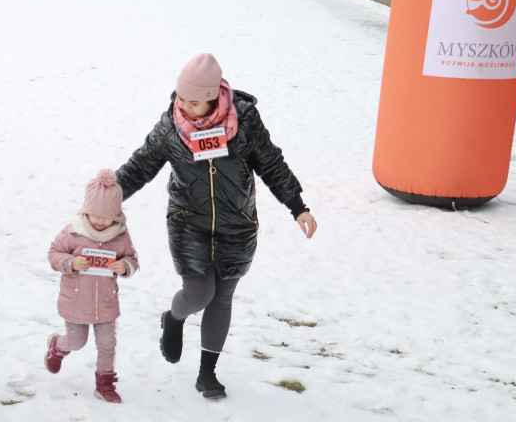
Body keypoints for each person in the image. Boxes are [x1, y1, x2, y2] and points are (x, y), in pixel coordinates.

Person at [115, 53, 317, 400]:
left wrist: (297, 206)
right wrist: (104, 198)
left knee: (222, 298)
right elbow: (139, 166)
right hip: (188, 222)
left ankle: (207, 373)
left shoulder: (245, 121)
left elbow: (270, 162)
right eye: (181, 98)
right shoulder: (172, 127)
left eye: (193, 101)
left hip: (236, 223)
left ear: (212, 97)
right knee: (199, 294)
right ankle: (174, 318)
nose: (185, 106)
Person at [45, 169, 140, 403]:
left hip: (106, 302)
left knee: (108, 345)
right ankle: (58, 345)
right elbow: (54, 253)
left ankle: (104, 384)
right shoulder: (73, 232)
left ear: (116, 215)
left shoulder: (120, 236)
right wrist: (70, 263)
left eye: (105, 216)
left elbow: (132, 258)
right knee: (77, 342)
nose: (99, 220)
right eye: (95, 214)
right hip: (76, 301)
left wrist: (125, 266)